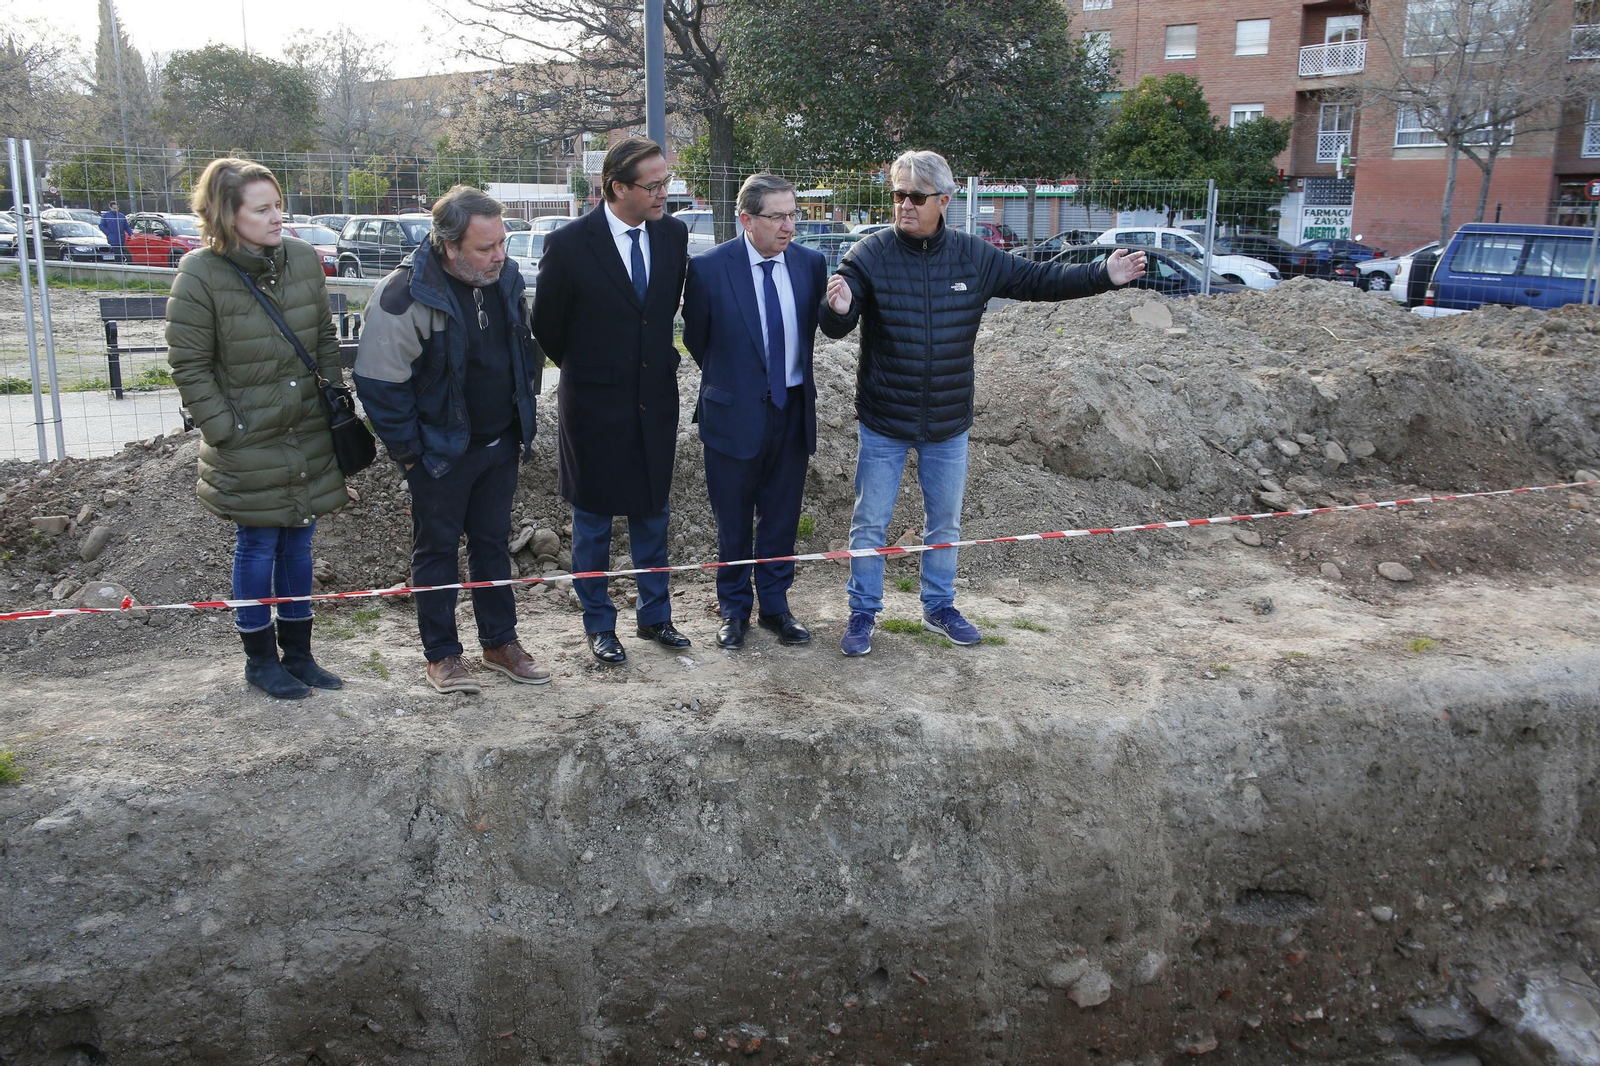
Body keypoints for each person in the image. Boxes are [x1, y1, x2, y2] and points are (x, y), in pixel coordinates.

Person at [821, 149, 1146, 657]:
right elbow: (838, 320)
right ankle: (862, 613)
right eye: (897, 195)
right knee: (870, 522)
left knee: (945, 522)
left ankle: (939, 606)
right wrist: (837, 310)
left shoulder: (975, 257)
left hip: (949, 421)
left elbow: (1038, 281)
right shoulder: (869, 254)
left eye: (915, 197)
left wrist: (1102, 275)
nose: (904, 205)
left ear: (944, 201)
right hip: (885, 418)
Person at [353, 185, 548, 695]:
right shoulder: (404, 294)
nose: (500, 256)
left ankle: (500, 643)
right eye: (485, 248)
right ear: (448, 244)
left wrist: (520, 417)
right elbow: (378, 382)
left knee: (491, 546)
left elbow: (523, 350)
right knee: (436, 552)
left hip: (499, 443)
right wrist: (413, 454)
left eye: (501, 243)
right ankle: (441, 655)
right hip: (438, 453)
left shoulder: (503, 278)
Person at [165, 158, 348, 699]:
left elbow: (322, 340)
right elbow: (188, 364)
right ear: (227, 214)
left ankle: (299, 655)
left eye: (278, 205)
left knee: (300, 543)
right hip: (248, 438)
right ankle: (260, 660)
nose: (278, 217)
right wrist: (226, 430)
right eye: (262, 208)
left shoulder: (301, 259)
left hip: (307, 431)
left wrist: (330, 404)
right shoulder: (200, 273)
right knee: (258, 543)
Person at [531, 137, 690, 666]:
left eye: (667, 181)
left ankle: (656, 617)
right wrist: (596, 369)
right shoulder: (571, 243)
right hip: (594, 407)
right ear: (616, 187)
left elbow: (661, 314)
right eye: (654, 185)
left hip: (655, 401)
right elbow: (548, 329)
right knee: (593, 521)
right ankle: (599, 624)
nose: (665, 193)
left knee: (652, 513)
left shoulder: (673, 235)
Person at [682, 173, 827, 650]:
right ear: (747, 220)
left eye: (793, 215)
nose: (790, 226)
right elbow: (698, 341)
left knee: (782, 518)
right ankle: (733, 610)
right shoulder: (708, 269)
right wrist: (739, 385)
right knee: (733, 519)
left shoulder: (810, 264)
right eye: (778, 216)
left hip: (791, 411)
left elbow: (823, 329)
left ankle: (776, 607)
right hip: (732, 415)